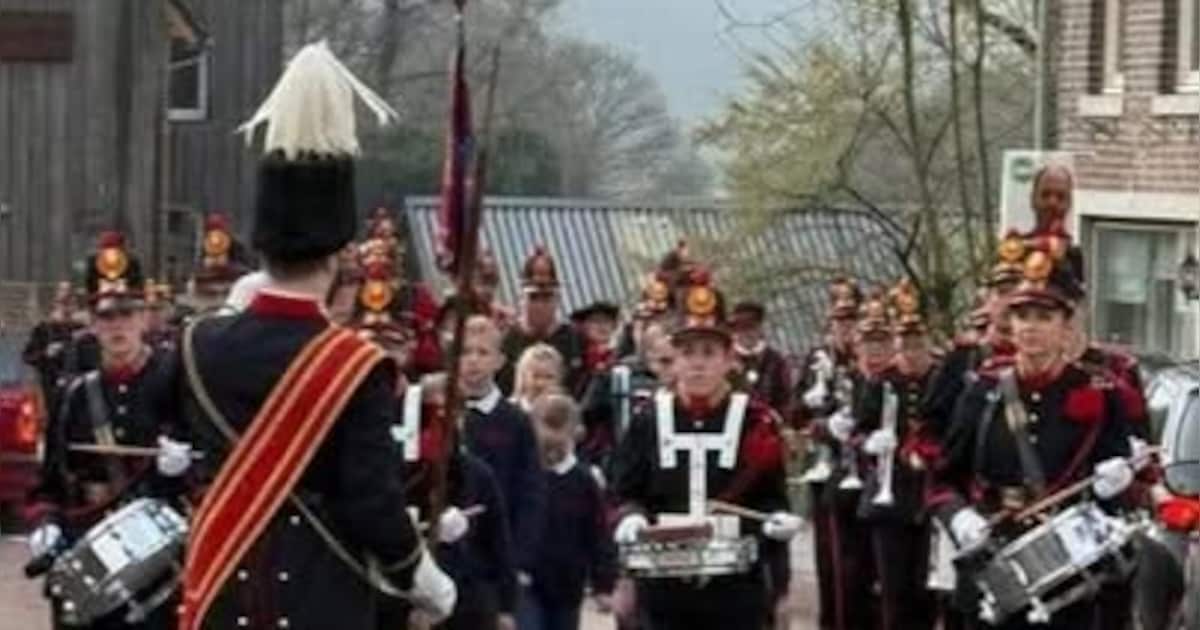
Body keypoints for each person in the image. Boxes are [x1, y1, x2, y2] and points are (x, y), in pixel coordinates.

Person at [169, 42, 455, 630]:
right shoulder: (357, 365)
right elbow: (371, 502)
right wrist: (424, 576)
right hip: (319, 598)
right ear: (337, 256)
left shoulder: (200, 344)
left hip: (220, 584)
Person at [928, 241, 1134, 629]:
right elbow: (942, 480)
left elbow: (1122, 488)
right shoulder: (982, 392)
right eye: (1022, 316)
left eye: (1043, 316)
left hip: (1069, 568)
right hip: (993, 560)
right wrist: (960, 519)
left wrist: (1117, 483)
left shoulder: (1098, 393)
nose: (1031, 327)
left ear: (1065, 326)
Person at [611, 265, 800, 630]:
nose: (697, 363)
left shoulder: (756, 421)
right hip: (662, 587)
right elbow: (623, 491)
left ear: (730, 359)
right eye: (688, 352)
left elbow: (771, 500)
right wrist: (630, 517)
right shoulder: (647, 419)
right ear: (675, 358)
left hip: (736, 589)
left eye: (709, 352)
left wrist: (780, 575)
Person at [26, 231, 180, 630]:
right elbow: (50, 485)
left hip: (161, 559)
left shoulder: (176, 381)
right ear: (91, 324)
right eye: (106, 316)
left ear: (145, 316)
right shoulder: (75, 394)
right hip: (87, 548)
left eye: (127, 313)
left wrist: (180, 469)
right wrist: (47, 523)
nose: (117, 326)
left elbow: (208, 469)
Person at [380, 374, 517, 630]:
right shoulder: (397, 471)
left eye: (452, 412)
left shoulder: (478, 474)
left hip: (466, 599)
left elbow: (498, 541)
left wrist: (506, 605)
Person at [853, 279, 939, 630]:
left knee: (928, 590)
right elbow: (859, 431)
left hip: (931, 492)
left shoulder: (943, 377)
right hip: (892, 497)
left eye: (919, 345)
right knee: (893, 589)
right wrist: (871, 443)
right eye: (906, 345)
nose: (913, 354)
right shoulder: (883, 381)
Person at [793, 277, 876, 630]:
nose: (846, 328)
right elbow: (796, 414)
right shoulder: (817, 359)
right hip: (830, 474)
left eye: (852, 320)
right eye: (840, 321)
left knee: (869, 567)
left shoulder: (872, 358)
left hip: (869, 472)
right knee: (835, 566)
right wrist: (824, 426)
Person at [458, 314, 546, 608]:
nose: (473, 361)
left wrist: (519, 561)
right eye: (465, 351)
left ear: (499, 360)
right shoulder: (439, 415)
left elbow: (530, 492)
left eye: (482, 352)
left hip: (498, 559)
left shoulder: (515, 421)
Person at [521, 394, 617, 630]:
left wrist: (603, 584)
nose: (550, 435)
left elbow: (598, 533)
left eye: (558, 427)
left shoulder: (584, 481)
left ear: (576, 431)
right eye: (544, 425)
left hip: (567, 586)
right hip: (525, 582)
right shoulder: (522, 474)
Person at [498, 246, 586, 397]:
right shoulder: (506, 341)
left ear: (557, 300)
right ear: (521, 300)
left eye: (546, 298)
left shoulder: (575, 339)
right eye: (533, 298)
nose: (540, 306)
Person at [23, 282, 85, 415]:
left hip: (78, 395)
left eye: (71, 304)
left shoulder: (82, 330)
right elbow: (28, 357)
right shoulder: (44, 329)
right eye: (63, 303)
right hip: (50, 393)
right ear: (55, 304)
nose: (67, 309)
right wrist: (46, 353)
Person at [729, 300, 792, 415]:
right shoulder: (726, 361)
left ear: (759, 327)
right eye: (739, 328)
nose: (745, 333)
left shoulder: (776, 360)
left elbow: (785, 397)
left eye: (750, 327)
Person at [511, 343, 566, 413]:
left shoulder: (565, 413)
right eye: (535, 376)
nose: (541, 383)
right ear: (523, 376)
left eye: (549, 377)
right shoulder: (508, 410)